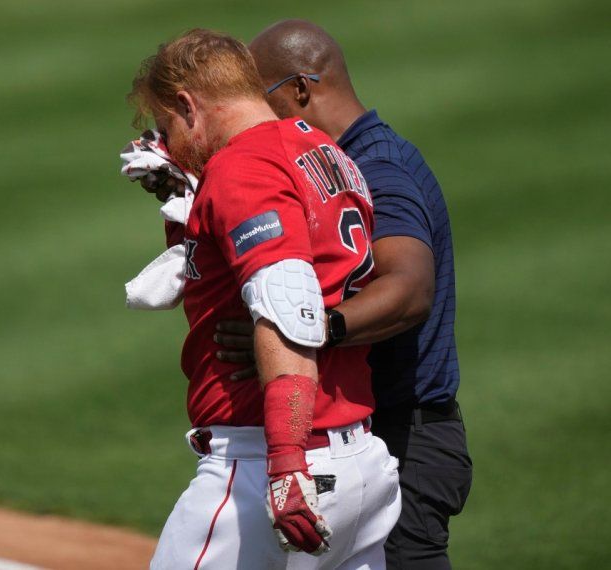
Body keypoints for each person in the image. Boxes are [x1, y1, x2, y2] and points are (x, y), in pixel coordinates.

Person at [127, 28, 400, 570]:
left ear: (189, 105)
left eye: (167, 126)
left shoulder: (242, 169)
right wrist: (189, 202)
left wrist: (286, 463)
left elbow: (288, 304)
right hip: (362, 468)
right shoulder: (320, 149)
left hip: (267, 463)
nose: (168, 144)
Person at [207, 20, 471, 570]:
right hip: (386, 433)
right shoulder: (329, 161)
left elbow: (409, 288)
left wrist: (304, 329)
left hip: (408, 437)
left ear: (300, 89)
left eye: (262, 98)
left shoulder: (377, 165)